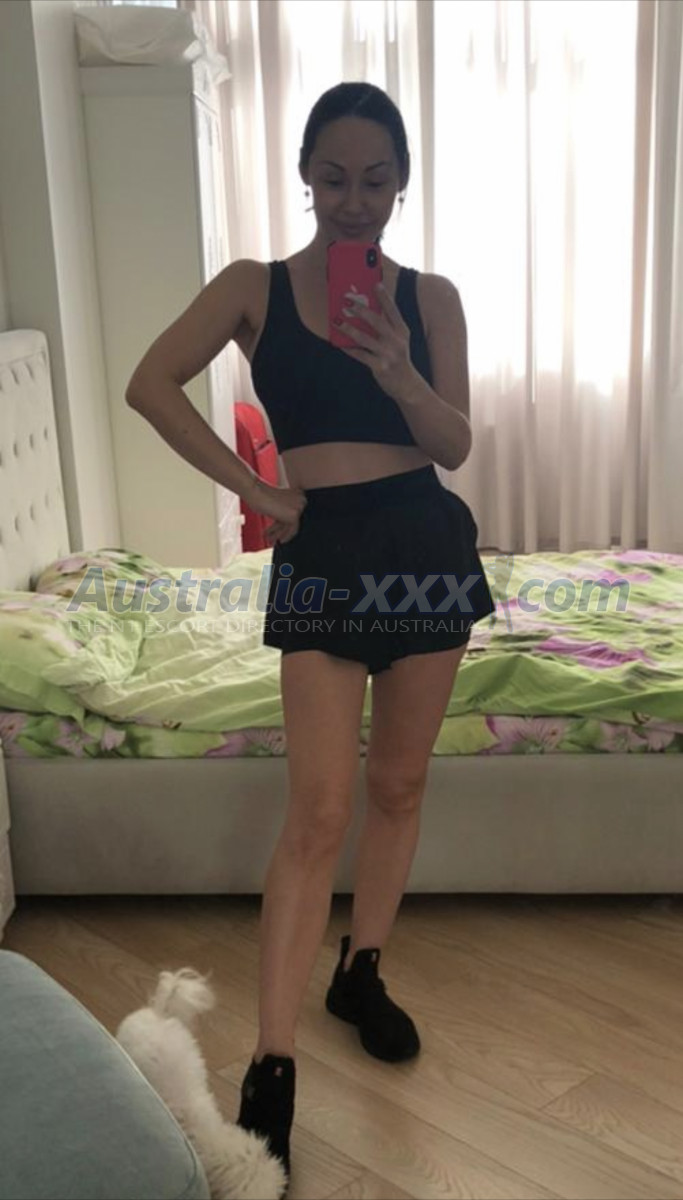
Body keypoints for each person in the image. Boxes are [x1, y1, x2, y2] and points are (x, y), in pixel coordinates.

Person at [126, 81, 495, 1198]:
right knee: (318, 811)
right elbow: (149, 384)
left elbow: (455, 443)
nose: (354, 201)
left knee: (398, 786)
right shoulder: (252, 287)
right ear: (304, 176)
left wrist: (397, 367)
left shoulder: (430, 298)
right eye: (333, 178)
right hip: (323, 548)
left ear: (402, 182)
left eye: (375, 180)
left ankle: (360, 972)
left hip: (422, 542)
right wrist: (252, 489)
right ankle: (272, 1061)